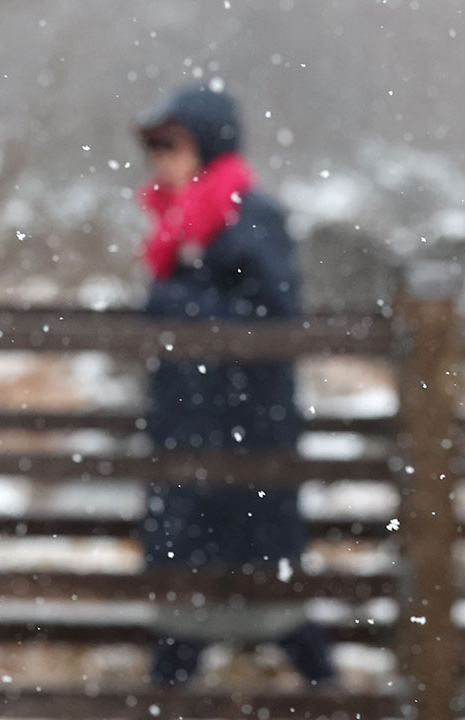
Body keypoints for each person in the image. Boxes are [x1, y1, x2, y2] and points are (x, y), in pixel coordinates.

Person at [133, 84, 334, 687]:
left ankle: (333, 694)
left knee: (265, 590)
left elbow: (272, 315)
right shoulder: (183, 222)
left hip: (245, 438)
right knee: (189, 596)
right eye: (153, 146)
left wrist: (171, 305)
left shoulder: (249, 217)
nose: (160, 157)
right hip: (192, 435)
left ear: (207, 142)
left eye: (172, 143)